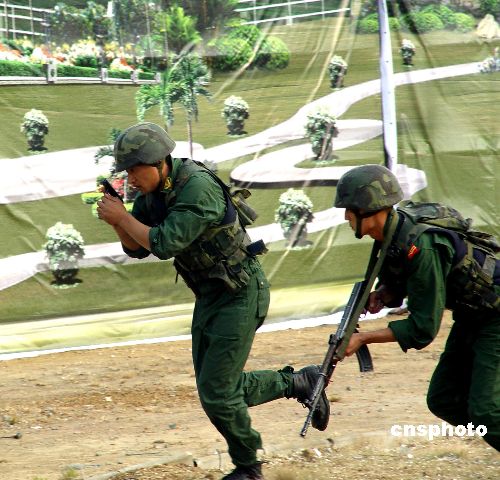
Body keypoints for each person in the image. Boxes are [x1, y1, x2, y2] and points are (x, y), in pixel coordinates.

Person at [96, 122, 330, 480]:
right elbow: (137, 249)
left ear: (157, 162)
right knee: (215, 389)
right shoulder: (153, 194)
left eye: (133, 170)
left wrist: (123, 216)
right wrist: (118, 219)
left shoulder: (197, 187)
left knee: (219, 392)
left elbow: (163, 243)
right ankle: (300, 383)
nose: (131, 179)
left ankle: (249, 466)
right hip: (211, 295)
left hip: (241, 292)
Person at [334, 164, 499, 451]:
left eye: (348, 209)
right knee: (443, 399)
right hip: (473, 315)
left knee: (486, 412)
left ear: (367, 208)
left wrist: (362, 338)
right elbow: (404, 279)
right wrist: (385, 294)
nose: (345, 216)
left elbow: (422, 329)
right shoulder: (393, 235)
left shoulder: (421, 244)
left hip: (495, 316)